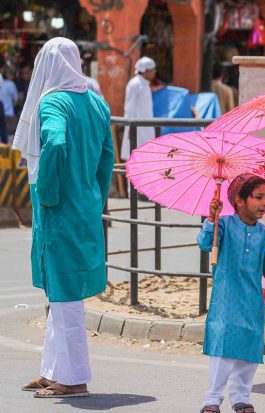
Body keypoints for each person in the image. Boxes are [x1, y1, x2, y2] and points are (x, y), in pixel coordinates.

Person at [13, 37, 114, 398]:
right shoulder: (97, 103)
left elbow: (53, 143)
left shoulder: (53, 101)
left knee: (66, 293)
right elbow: (107, 159)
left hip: (58, 209)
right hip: (84, 207)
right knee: (60, 292)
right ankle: (52, 369)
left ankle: (73, 378)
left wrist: (49, 194)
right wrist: (93, 197)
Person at [197, 173, 265, 413]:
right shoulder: (223, 225)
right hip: (226, 301)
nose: (264, 203)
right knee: (223, 350)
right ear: (239, 200)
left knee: (249, 350)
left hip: (251, 301)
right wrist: (211, 219)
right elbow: (205, 244)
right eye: (258, 197)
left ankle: (241, 398)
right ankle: (212, 400)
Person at [120, 56, 156, 160]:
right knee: (135, 159)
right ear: (146, 71)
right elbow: (129, 108)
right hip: (137, 129)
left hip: (146, 129)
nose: (154, 72)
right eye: (153, 70)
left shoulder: (145, 84)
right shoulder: (134, 84)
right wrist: (129, 129)